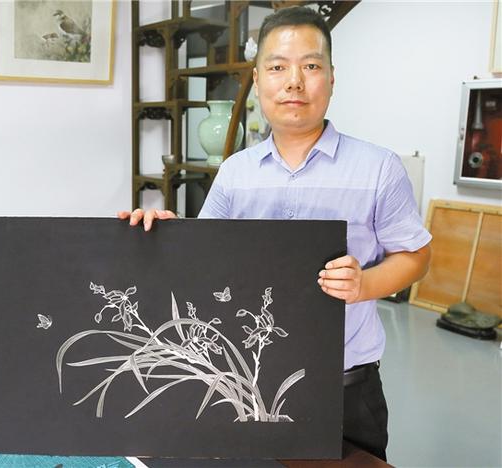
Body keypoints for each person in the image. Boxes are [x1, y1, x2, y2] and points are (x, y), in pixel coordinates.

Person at [118, 6, 432, 461]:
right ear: (257, 79)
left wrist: (364, 284)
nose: (294, 82)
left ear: (331, 78)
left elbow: (416, 256)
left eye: (311, 66)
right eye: (278, 67)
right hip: (244, 379)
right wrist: (166, 237)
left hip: (344, 383)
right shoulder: (235, 173)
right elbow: (202, 261)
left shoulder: (378, 168)